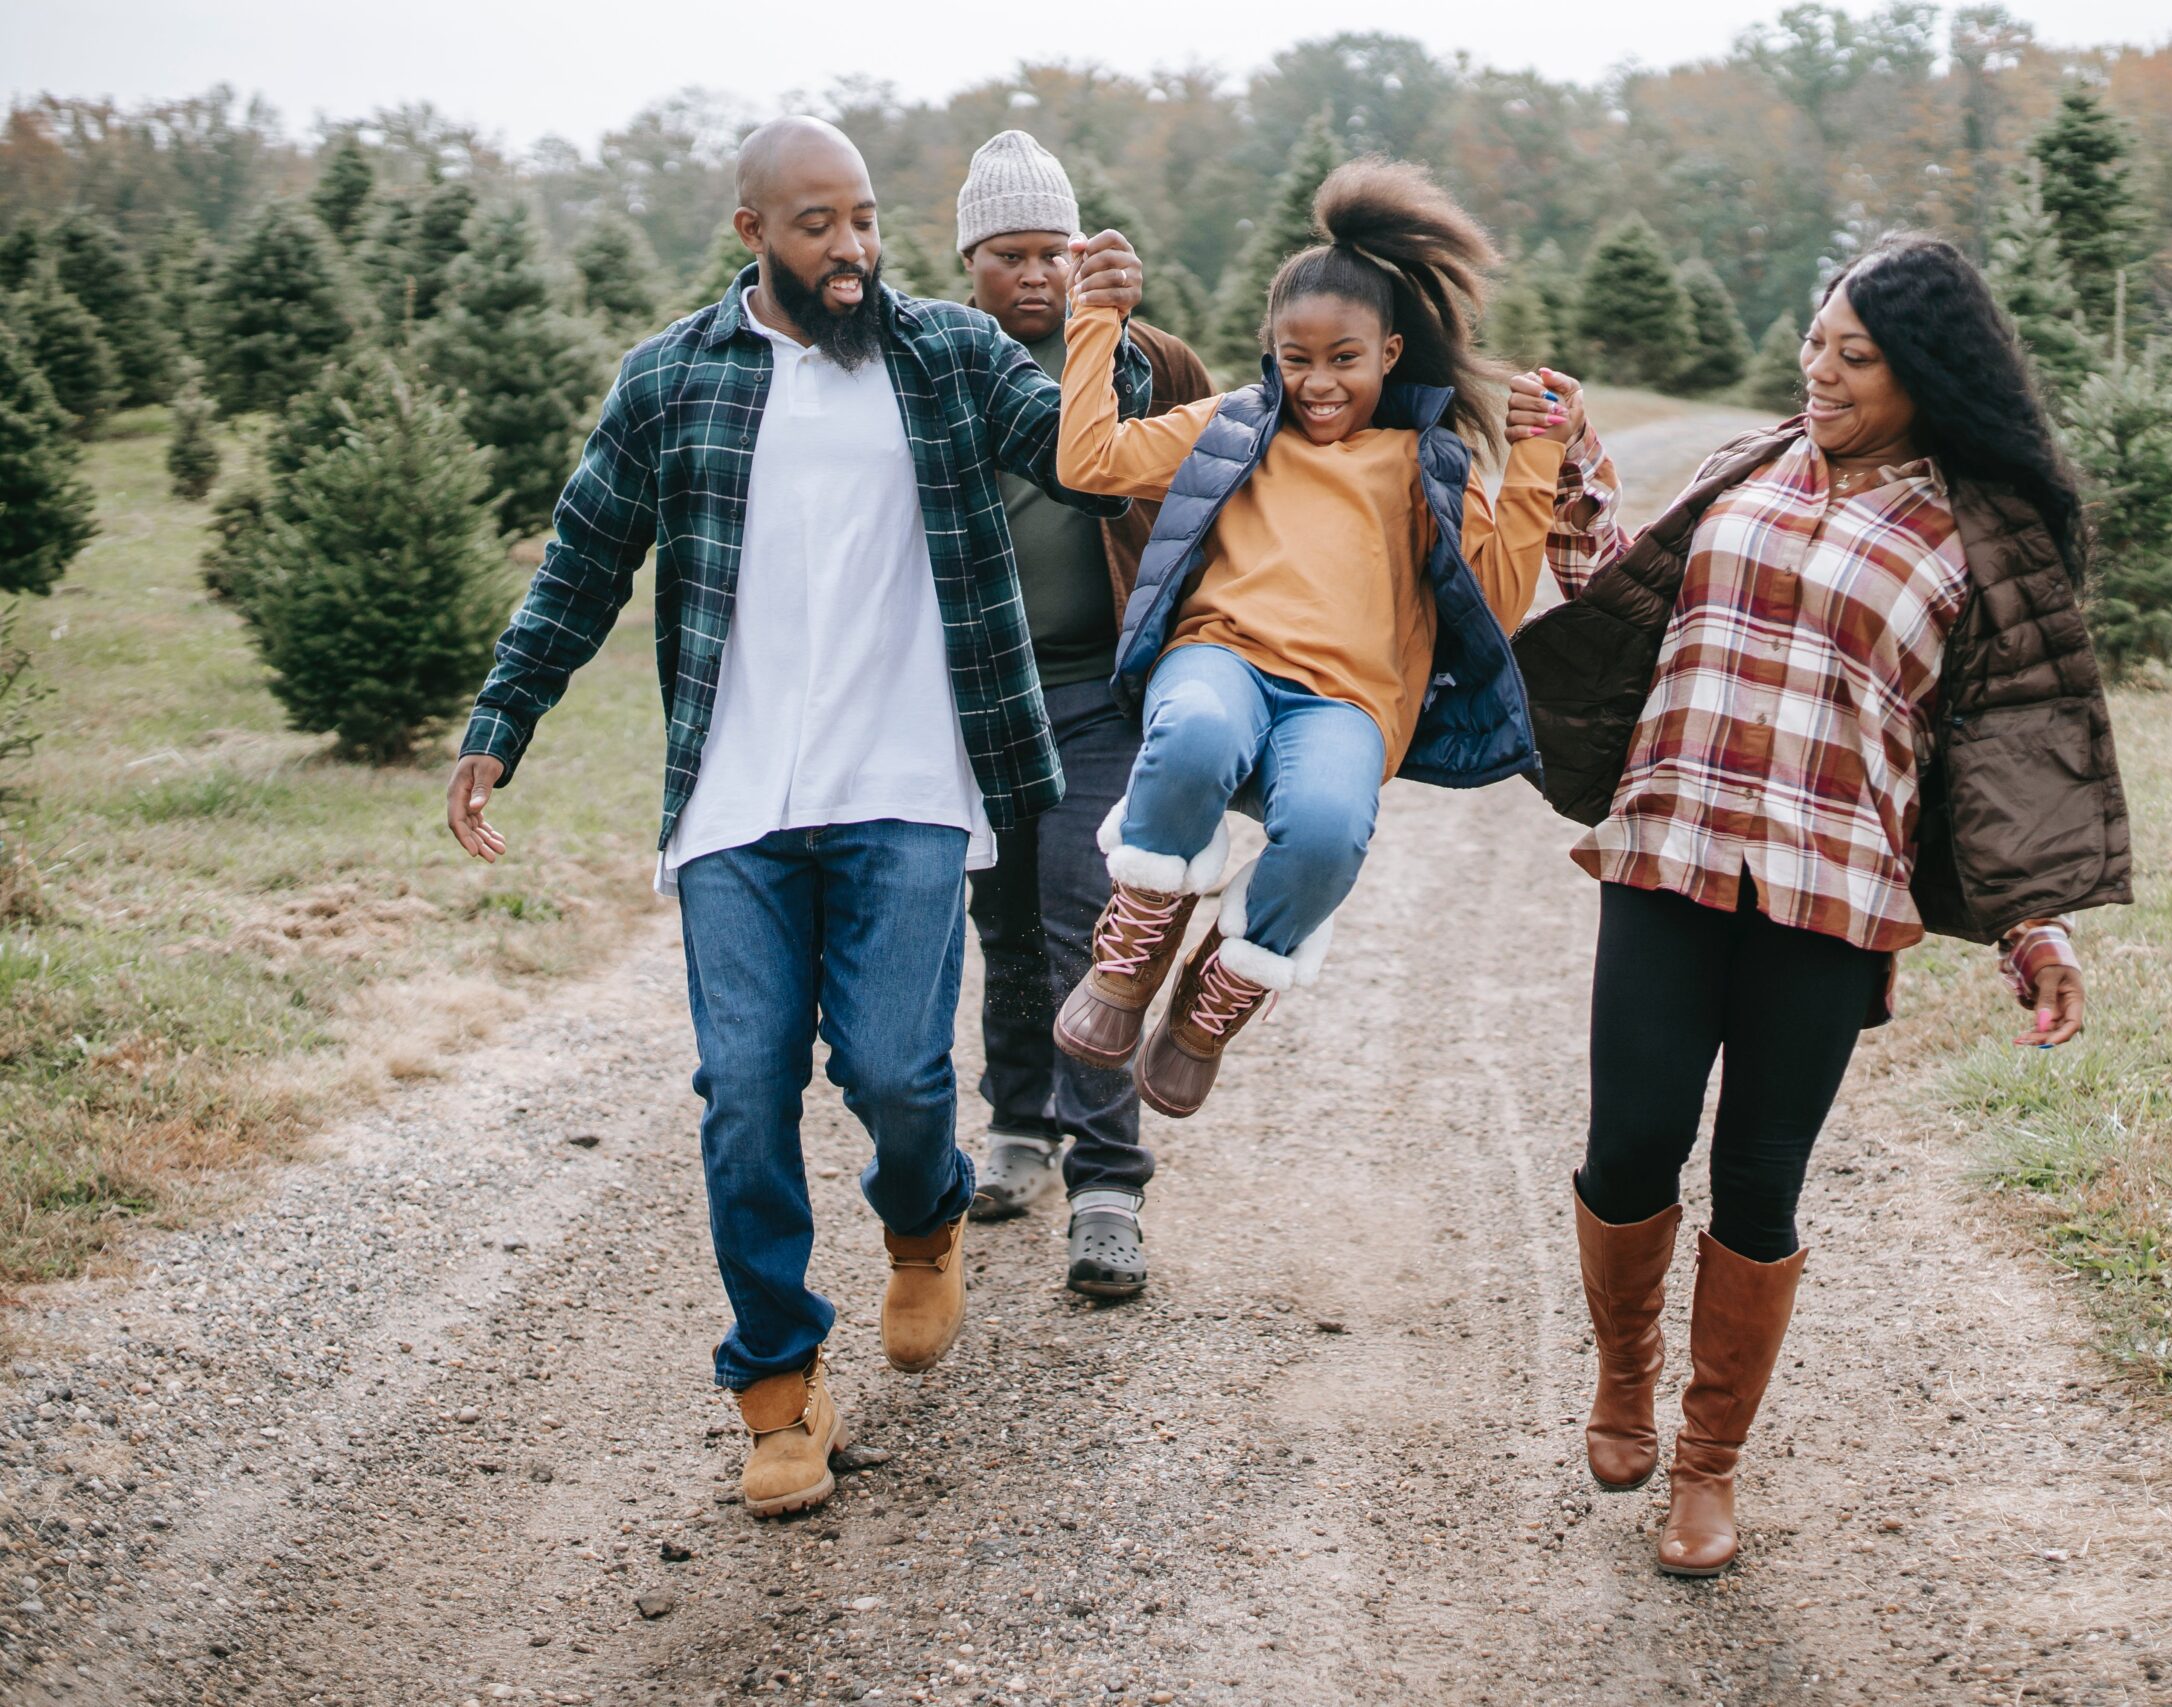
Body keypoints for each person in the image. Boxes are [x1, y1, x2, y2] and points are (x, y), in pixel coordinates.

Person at [441, 116, 1152, 1520]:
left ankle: (923, 1211)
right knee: (745, 1095)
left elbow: (1088, 458)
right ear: (752, 230)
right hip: (737, 802)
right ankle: (776, 1386)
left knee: (896, 1072)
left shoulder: (943, 353)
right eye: (819, 223)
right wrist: (499, 721)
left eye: (867, 219)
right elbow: (584, 558)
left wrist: (1103, 332)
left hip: (903, 786)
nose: (853, 248)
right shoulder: (671, 379)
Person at [1511, 231, 2130, 1578]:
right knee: (1629, 1146)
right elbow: (1632, 599)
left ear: (1925, 374)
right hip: (1671, 851)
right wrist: (1573, 495)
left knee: (1757, 1179)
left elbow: (2006, 744)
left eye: (1855, 354)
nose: (1821, 368)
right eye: (1815, 340)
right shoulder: (1749, 463)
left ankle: (1708, 1463)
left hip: (1832, 896)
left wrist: (2035, 920)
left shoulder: (1981, 534)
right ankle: (1625, 1372)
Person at [1047, 160, 1576, 1118]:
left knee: (1332, 831)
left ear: (1390, 352)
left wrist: (1535, 457)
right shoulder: (1231, 429)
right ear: (1270, 351)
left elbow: (1495, 608)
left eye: (1346, 358)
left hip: (1346, 705)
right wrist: (1096, 322)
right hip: (1223, 660)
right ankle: (1133, 947)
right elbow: (1088, 462)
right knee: (1198, 733)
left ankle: (1217, 994)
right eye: (1297, 357)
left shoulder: (1426, 462)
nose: (1319, 382)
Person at [946, 132, 1214, 1299]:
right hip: (975, 700)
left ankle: (1107, 1186)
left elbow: (1227, 487)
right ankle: (1017, 1125)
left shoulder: (1145, 358)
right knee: (1000, 921)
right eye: (1010, 255)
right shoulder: (941, 363)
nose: (1037, 276)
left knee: (1086, 924)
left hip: (1102, 697)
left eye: (1054, 251)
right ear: (970, 262)